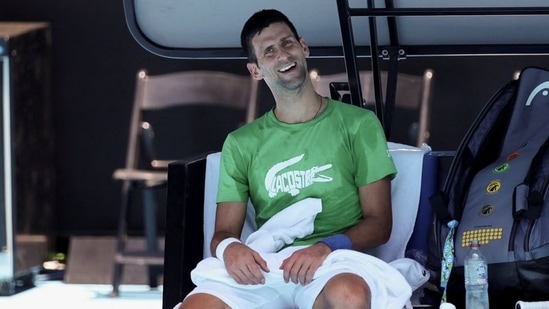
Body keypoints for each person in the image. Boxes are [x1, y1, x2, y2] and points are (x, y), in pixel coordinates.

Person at [180, 9, 411, 309]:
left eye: (288, 43)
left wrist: (325, 247)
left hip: (333, 262)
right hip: (267, 268)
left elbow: (380, 224)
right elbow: (223, 233)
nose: (283, 55)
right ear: (256, 70)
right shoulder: (240, 143)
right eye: (269, 51)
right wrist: (229, 249)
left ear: (303, 47)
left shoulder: (359, 124)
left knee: (349, 295)